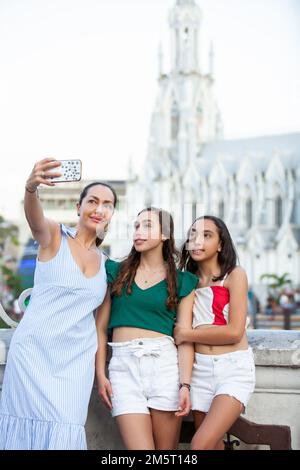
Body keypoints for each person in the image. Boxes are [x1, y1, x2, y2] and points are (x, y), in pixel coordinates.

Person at [0, 158, 117, 450]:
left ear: (112, 213)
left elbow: (100, 328)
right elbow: (34, 218)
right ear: (78, 207)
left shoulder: (108, 267)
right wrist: (30, 188)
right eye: (92, 201)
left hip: (74, 367)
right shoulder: (54, 236)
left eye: (107, 204)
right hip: (31, 356)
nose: (99, 208)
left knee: (64, 434)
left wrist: (100, 373)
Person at [95, 207, 198, 450]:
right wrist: (100, 374)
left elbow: (183, 339)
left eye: (148, 225)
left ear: (165, 235)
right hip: (123, 368)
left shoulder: (182, 281)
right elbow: (100, 328)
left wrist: (185, 385)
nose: (139, 231)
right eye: (137, 226)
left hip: (164, 367)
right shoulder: (115, 272)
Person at [174, 215, 256, 450]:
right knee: (212, 446)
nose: (197, 240)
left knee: (199, 444)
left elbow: (234, 332)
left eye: (206, 235)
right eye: (192, 235)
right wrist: (185, 384)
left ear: (220, 244)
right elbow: (182, 335)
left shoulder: (234, 275)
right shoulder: (188, 282)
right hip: (200, 371)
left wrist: (188, 334)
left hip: (233, 369)